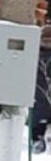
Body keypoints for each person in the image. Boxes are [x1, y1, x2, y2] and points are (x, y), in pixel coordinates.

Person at [32, 25, 51, 153]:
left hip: (38, 102)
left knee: (38, 123)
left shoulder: (33, 56)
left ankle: (38, 140)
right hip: (40, 101)